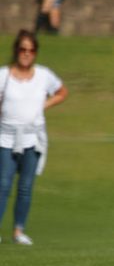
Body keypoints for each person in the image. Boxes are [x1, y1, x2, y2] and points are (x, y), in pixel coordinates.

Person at [0, 29, 69, 245]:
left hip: (32, 138)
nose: (26, 53)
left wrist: (44, 105)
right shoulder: (3, 75)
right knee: (3, 183)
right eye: (23, 49)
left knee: (26, 186)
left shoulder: (43, 75)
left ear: (35, 53)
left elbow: (62, 92)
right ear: (16, 51)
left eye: (31, 50)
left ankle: (19, 230)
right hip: (6, 137)